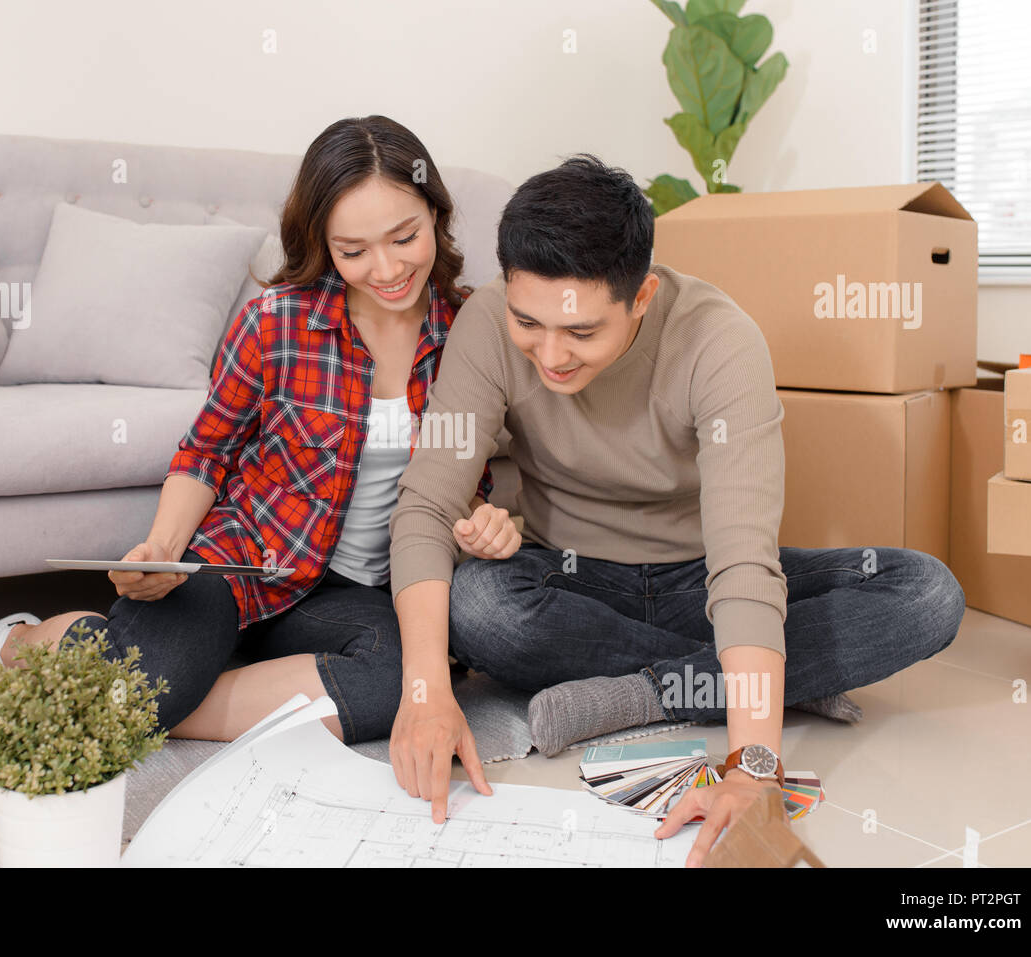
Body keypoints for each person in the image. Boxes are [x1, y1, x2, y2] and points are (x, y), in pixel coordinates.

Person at [386, 154, 966, 864]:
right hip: (570, 584)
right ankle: (764, 678)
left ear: (642, 296)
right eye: (528, 322)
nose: (551, 354)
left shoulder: (720, 343)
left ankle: (641, 695)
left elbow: (746, 564)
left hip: (705, 581)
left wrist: (753, 763)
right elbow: (425, 504)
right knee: (480, 605)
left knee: (927, 592)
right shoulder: (484, 324)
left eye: (581, 332)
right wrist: (424, 689)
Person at [0, 115, 519, 746]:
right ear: (324, 244)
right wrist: (162, 550)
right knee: (142, 683)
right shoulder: (275, 323)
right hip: (237, 565)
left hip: (353, 594)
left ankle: (153, 690)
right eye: (353, 251)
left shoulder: (469, 334)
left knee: (400, 685)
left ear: (436, 214)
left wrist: (482, 519)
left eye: (404, 237)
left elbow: (455, 482)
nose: (385, 269)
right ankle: (20, 645)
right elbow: (205, 454)